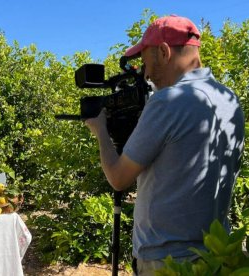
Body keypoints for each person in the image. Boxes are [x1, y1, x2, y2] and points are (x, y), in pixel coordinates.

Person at [84, 15, 245, 275]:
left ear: (164, 51)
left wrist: (100, 130)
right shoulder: (230, 100)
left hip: (167, 260)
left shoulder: (168, 101)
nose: (146, 74)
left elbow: (117, 178)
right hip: (217, 253)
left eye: (147, 63)